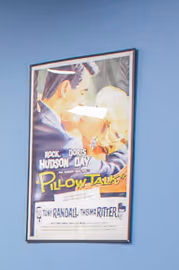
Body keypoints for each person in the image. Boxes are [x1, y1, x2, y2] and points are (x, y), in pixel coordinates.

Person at [31, 62, 128, 202]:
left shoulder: (36, 119)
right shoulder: (60, 138)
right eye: (82, 93)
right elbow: (114, 172)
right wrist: (115, 140)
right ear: (65, 89)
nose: (82, 103)